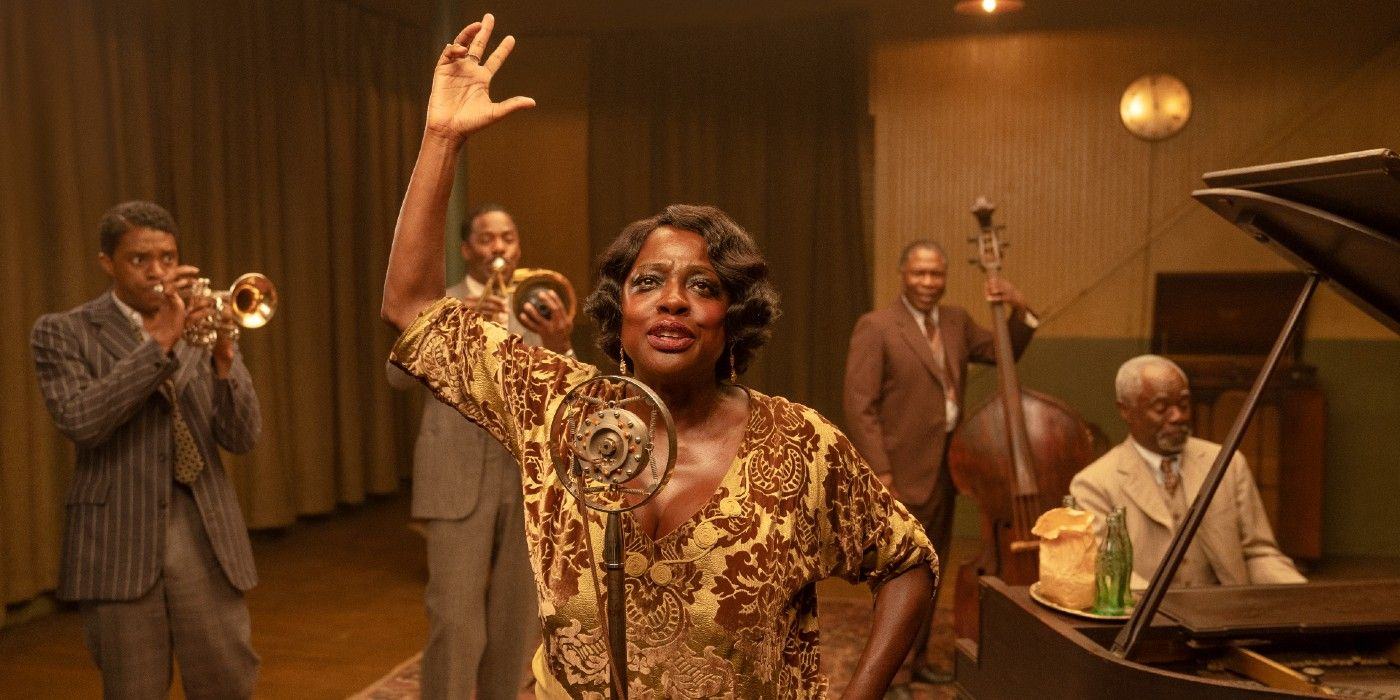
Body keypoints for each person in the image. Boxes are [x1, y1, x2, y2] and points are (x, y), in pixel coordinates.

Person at [381, 15, 937, 697]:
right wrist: (442, 139)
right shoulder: (557, 410)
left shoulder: (800, 447)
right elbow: (412, 309)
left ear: (733, 319)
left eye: (702, 286)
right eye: (648, 282)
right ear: (620, 314)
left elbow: (908, 560)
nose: (672, 300)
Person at [30, 201, 262, 697]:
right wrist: (157, 343)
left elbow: (242, 437)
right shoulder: (62, 332)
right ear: (107, 263)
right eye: (139, 259)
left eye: (167, 256)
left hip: (204, 535)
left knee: (229, 684)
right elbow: (82, 420)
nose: (157, 271)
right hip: (118, 540)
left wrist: (223, 357)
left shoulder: (202, 323)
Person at [386, 203, 573, 699]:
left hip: (524, 479)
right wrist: (455, 325)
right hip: (454, 477)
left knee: (515, 621)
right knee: (454, 619)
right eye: (488, 240)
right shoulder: (441, 305)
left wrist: (561, 343)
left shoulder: (540, 307)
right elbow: (395, 377)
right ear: (467, 249)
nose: (498, 249)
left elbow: (563, 391)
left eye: (507, 238)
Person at [841, 239, 1036, 683]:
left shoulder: (957, 322)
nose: (928, 283)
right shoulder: (877, 326)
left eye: (936, 275)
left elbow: (1003, 352)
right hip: (900, 473)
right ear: (902, 275)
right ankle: (895, 674)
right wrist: (882, 472)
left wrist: (1020, 308)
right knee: (902, 574)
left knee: (932, 572)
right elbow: (859, 405)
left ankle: (918, 660)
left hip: (948, 470)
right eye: (919, 274)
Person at [1070, 355, 1306, 589]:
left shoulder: (1228, 464)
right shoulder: (1093, 484)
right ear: (1126, 410)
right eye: (1161, 408)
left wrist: (1301, 594)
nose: (1178, 417)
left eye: (1183, 405)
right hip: (1148, 620)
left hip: (1225, 615)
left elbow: (1259, 555)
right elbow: (1108, 574)